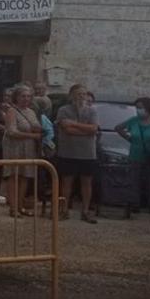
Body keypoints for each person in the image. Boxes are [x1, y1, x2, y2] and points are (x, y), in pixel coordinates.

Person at [115, 97, 150, 216]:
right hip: (135, 155)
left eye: (141, 107)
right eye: (137, 107)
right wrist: (129, 138)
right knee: (134, 181)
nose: (139, 110)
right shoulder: (134, 120)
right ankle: (135, 204)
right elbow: (118, 128)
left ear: (149, 107)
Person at [55, 83, 99, 224]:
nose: (82, 97)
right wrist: (84, 130)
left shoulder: (92, 111)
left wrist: (74, 124)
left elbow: (93, 129)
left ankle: (85, 211)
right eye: (79, 94)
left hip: (87, 153)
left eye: (84, 94)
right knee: (66, 182)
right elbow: (66, 129)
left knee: (86, 182)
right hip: (68, 151)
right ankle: (64, 210)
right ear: (71, 96)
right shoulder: (63, 110)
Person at [2, 85, 42, 218]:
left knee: (25, 176)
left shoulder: (31, 112)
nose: (26, 99)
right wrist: (32, 136)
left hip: (28, 147)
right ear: (17, 97)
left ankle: (20, 206)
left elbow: (36, 127)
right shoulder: (11, 111)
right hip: (14, 147)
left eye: (28, 96)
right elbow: (11, 131)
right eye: (23, 96)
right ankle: (13, 208)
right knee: (14, 176)